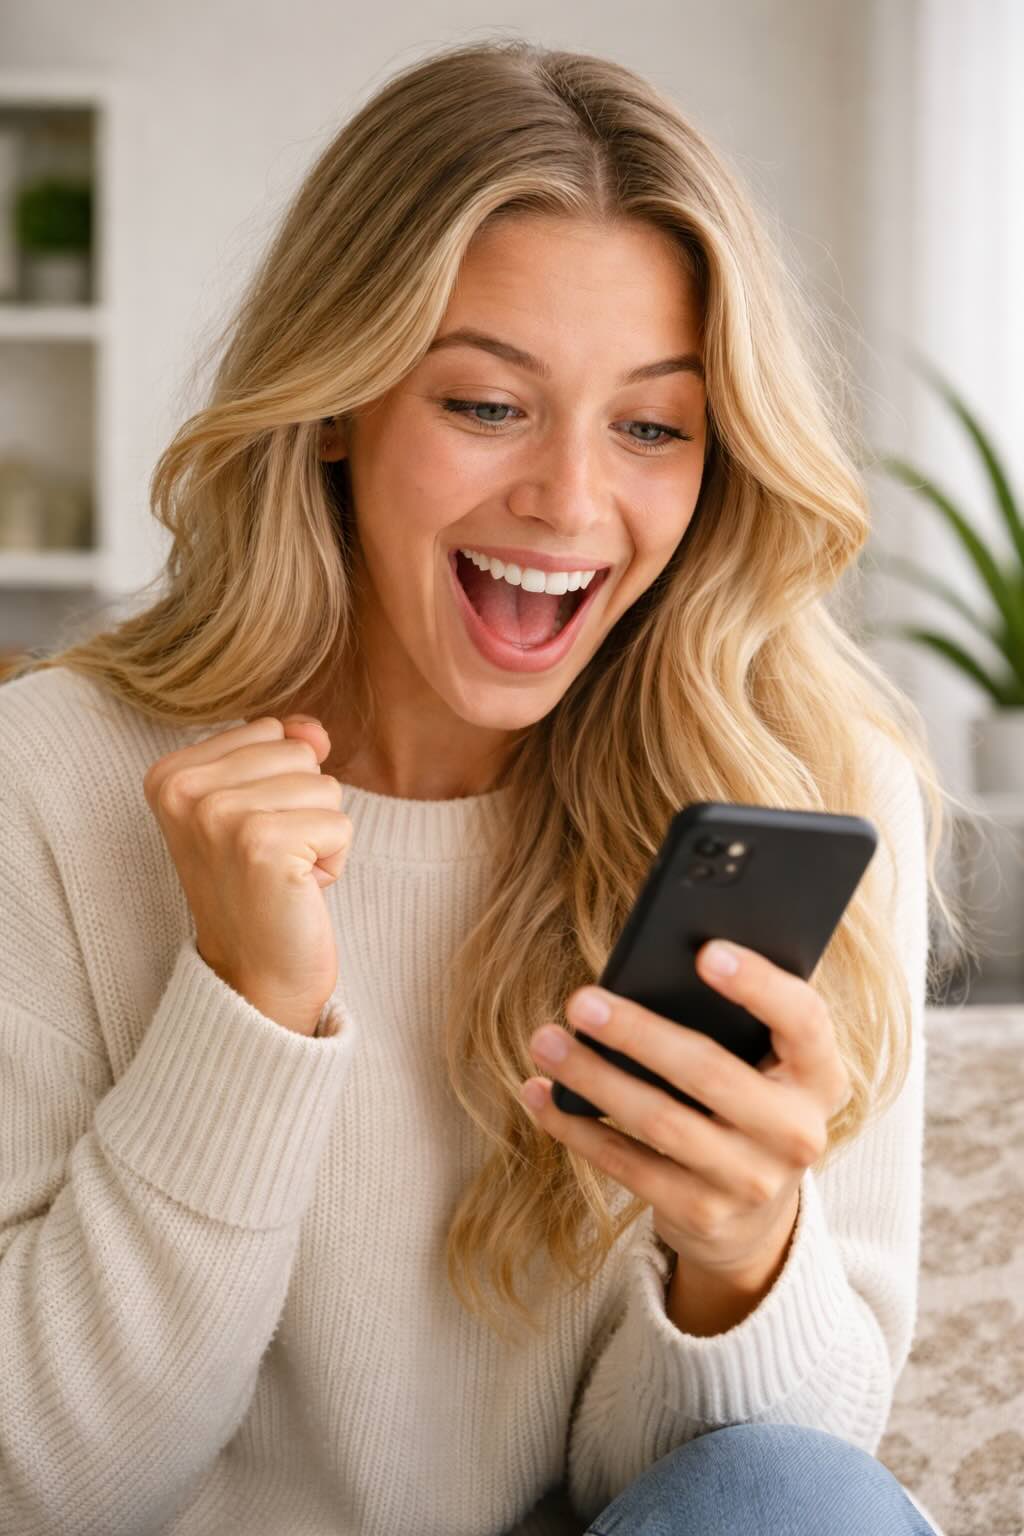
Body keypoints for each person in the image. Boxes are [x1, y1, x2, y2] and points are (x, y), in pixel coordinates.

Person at [0, 36, 969, 1536]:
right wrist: (245, 1009)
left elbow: (760, 1500)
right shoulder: (54, 779)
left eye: (653, 426)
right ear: (337, 406)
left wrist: (738, 1253)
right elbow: (45, 1484)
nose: (571, 503)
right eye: (485, 404)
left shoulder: (812, 787)